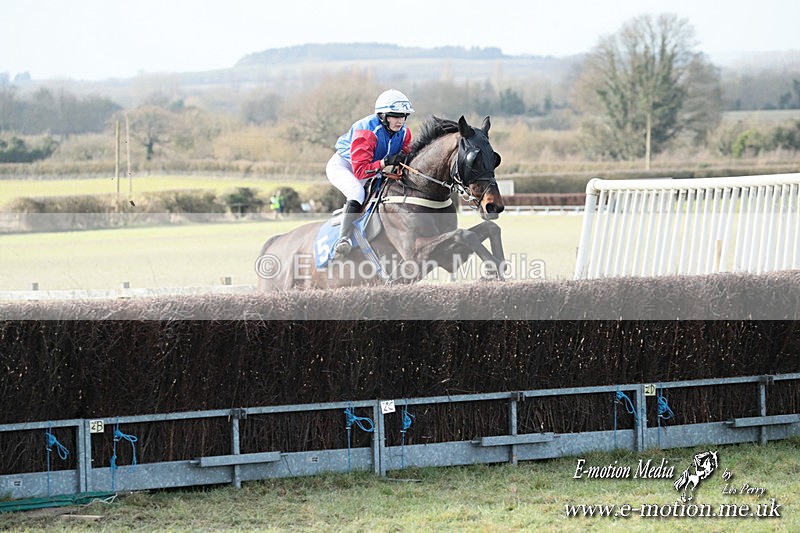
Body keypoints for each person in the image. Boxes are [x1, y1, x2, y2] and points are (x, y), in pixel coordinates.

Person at [326, 89, 414, 258]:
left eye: (404, 116)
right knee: (357, 192)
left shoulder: (404, 132)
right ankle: (343, 240)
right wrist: (384, 163)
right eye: (395, 116)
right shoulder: (366, 132)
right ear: (382, 116)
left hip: (371, 168)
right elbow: (360, 172)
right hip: (344, 166)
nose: (400, 121)